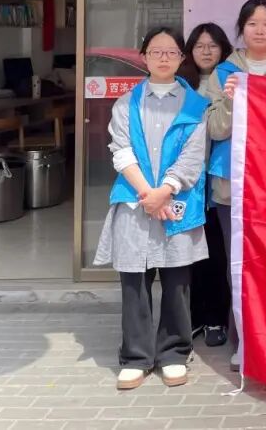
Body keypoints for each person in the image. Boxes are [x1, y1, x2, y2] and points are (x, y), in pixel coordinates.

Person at [93, 27, 210, 390]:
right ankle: (136, 357)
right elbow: (121, 150)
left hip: (177, 201)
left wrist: (166, 191)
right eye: (156, 51)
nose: (163, 58)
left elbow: (193, 157)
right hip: (136, 200)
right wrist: (149, 194)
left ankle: (174, 353)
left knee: (177, 282)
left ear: (181, 58)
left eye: (171, 52)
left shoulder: (195, 105)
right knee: (134, 281)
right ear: (143, 57)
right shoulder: (126, 103)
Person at [205, 0, 266, 370]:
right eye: (252, 23)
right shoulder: (222, 72)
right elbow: (214, 129)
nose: (259, 30)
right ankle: (243, 342)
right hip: (232, 187)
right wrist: (228, 102)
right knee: (238, 264)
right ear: (241, 29)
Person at [179, 23, 233, 349]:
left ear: (223, 49)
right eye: (199, 45)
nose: (206, 51)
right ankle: (194, 315)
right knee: (189, 255)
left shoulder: (231, 82)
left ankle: (216, 317)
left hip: (217, 183)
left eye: (213, 45)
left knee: (216, 252)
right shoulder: (180, 84)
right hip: (186, 183)